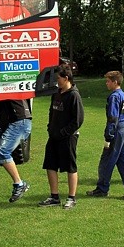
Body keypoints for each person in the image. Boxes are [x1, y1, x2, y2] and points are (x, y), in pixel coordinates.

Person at [87, 71, 124, 200]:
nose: (106, 83)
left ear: (115, 82)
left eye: (108, 81)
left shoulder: (114, 97)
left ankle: (102, 189)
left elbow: (113, 118)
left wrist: (108, 136)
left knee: (107, 160)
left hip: (118, 131)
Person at [39, 65, 84, 210]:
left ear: (66, 78)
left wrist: (63, 132)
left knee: (70, 167)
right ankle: (54, 197)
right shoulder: (56, 93)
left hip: (68, 138)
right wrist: (50, 128)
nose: (56, 81)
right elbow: (51, 112)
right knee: (50, 165)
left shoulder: (74, 95)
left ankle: (71, 198)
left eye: (58, 78)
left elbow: (78, 120)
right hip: (53, 136)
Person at [0, 99, 32, 203]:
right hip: (10, 124)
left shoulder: (5, 89)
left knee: (2, 151)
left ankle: (20, 184)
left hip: (19, 123)